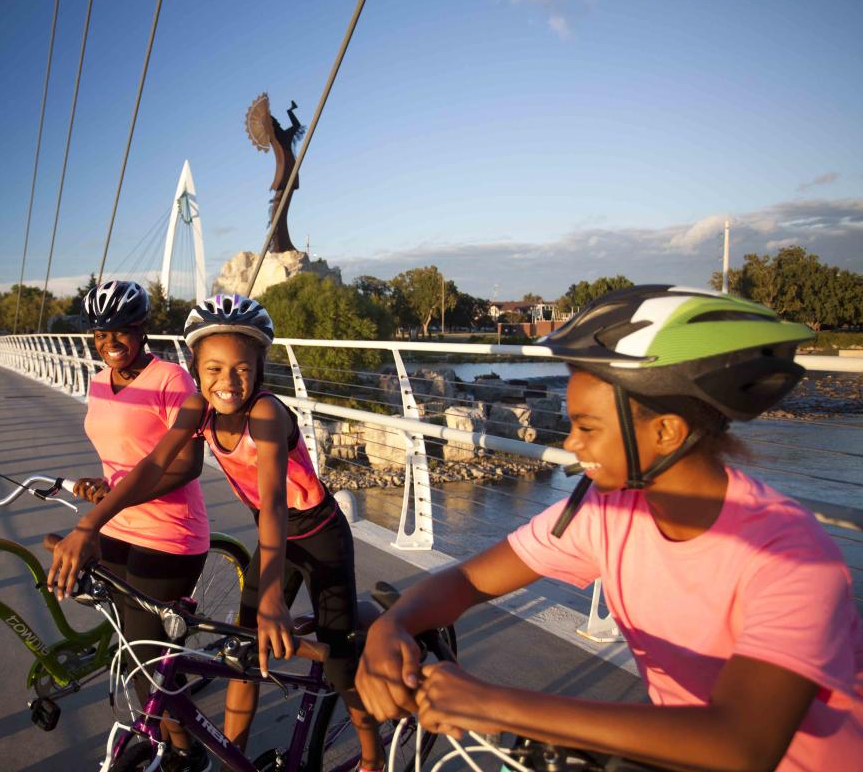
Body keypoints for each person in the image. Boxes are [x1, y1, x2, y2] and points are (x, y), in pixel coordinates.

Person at [356, 285, 863, 771]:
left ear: (666, 431)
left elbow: (741, 743)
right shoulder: (608, 510)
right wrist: (392, 625)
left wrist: (492, 703)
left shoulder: (791, 555)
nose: (572, 444)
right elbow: (469, 580)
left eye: (588, 427)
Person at [49, 294, 383, 772]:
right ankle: (234, 761)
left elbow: (273, 504)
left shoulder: (265, 415)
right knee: (245, 656)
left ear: (260, 368)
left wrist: (271, 596)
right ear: (195, 368)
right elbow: (152, 467)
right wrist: (88, 526)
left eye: (242, 369)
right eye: (214, 369)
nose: (228, 382)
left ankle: (373, 759)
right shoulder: (199, 408)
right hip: (275, 538)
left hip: (318, 534)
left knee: (338, 658)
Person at [50, 279, 212, 772]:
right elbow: (121, 453)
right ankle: (167, 741)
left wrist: (108, 506)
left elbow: (185, 466)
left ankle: (187, 752)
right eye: (99, 334)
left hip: (169, 535)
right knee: (135, 652)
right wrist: (100, 484)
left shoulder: (171, 381)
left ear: (141, 330)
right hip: (118, 527)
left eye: (119, 331)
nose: (109, 342)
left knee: (146, 657)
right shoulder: (100, 379)